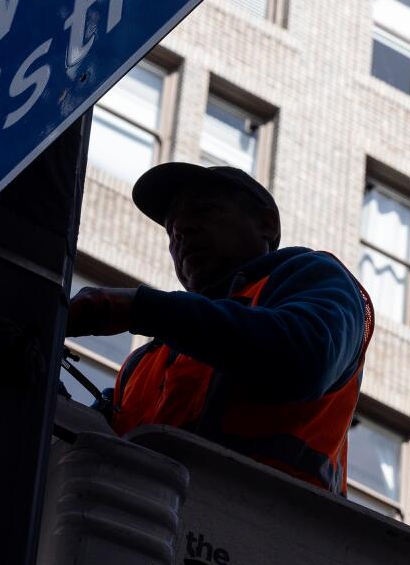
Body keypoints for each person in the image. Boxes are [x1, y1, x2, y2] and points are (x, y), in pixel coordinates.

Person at [66, 162, 371, 492]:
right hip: (148, 530)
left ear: (266, 224)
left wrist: (140, 307)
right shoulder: (144, 364)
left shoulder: (311, 276)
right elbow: (91, 450)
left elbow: (305, 357)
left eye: (204, 210)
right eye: (171, 230)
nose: (181, 230)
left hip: (265, 528)